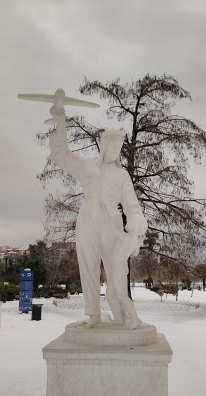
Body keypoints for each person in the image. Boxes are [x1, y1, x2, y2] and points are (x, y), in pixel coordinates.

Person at [49, 89, 147, 328]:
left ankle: (123, 314)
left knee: (115, 273)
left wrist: (136, 222)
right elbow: (60, 154)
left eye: (119, 147)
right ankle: (93, 315)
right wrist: (60, 117)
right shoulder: (87, 166)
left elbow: (132, 207)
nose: (116, 150)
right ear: (103, 145)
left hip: (113, 222)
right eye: (112, 145)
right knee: (89, 265)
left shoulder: (122, 175)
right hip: (88, 219)